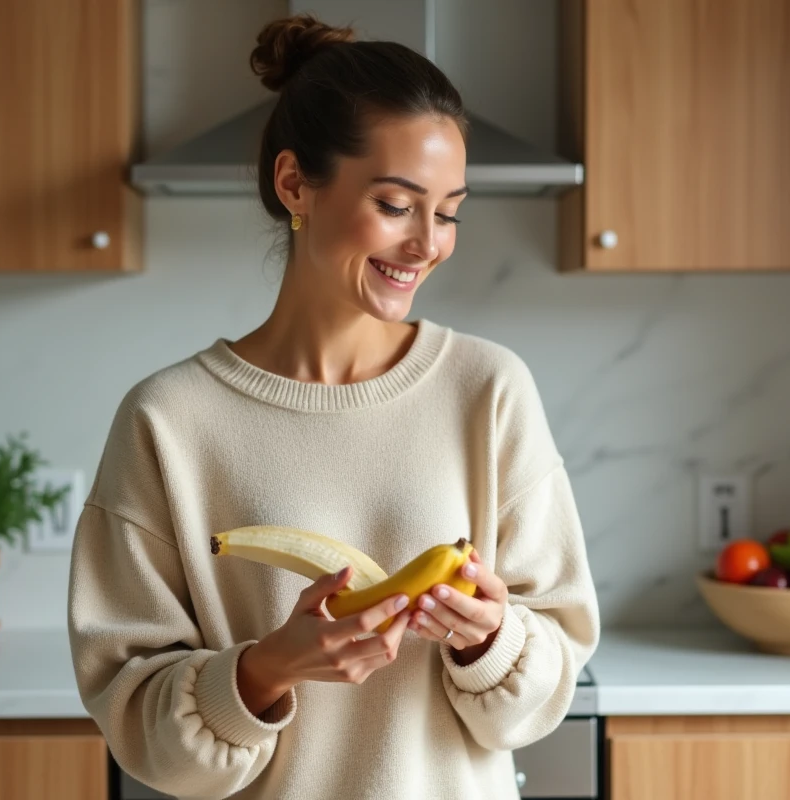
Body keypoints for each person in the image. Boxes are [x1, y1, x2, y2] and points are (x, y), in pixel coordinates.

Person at [68, 14, 600, 800]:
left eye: (448, 212)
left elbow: (552, 664)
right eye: (396, 204)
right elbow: (134, 717)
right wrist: (268, 668)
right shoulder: (169, 421)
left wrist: (490, 640)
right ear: (295, 185)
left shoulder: (488, 390)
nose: (428, 243)